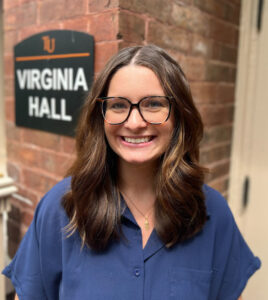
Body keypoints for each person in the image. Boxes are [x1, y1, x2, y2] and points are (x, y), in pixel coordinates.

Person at [3, 45, 260, 300]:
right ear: (100, 116)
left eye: (154, 104)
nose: (134, 123)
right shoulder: (61, 209)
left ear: (180, 114)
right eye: (117, 105)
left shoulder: (212, 212)